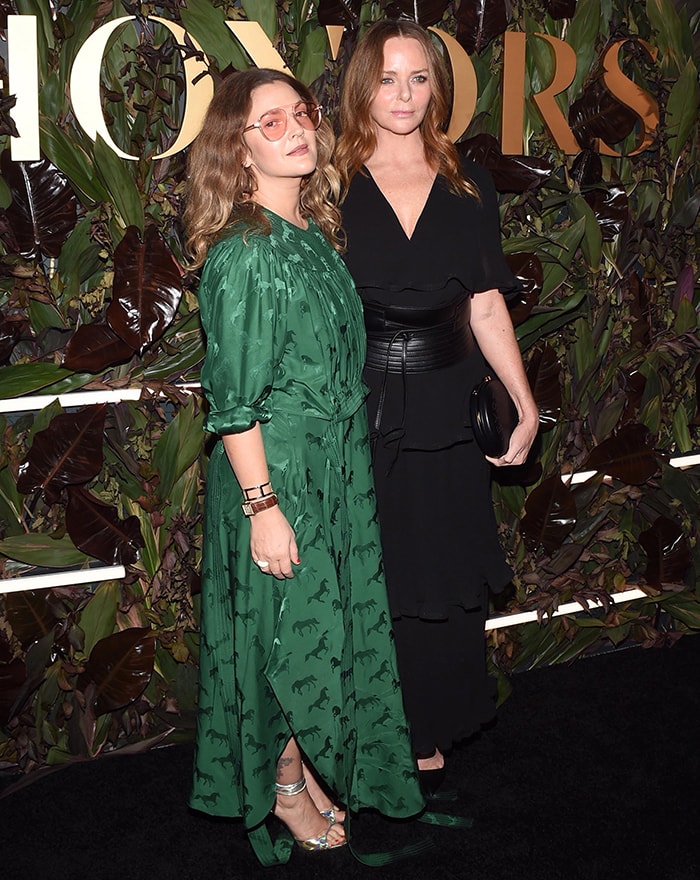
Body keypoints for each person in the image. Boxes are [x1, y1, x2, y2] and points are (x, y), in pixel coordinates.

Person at [183, 68, 425, 865]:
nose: (295, 129)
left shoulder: (308, 237)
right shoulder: (247, 254)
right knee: (285, 638)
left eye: (301, 113)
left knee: (317, 629)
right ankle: (286, 791)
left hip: (329, 469)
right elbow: (234, 404)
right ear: (237, 149)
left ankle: (303, 774)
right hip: (278, 475)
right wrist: (264, 508)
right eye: (269, 122)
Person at [335, 20, 539, 792]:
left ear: (438, 88)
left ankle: (426, 722)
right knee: (369, 570)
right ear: (362, 85)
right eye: (387, 78)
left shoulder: (467, 183)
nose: (403, 95)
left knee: (440, 568)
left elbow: (486, 303)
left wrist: (523, 404)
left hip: (451, 406)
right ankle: (363, 724)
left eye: (418, 78)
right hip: (360, 404)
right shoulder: (329, 178)